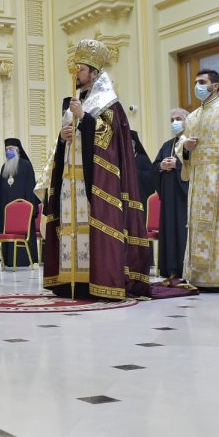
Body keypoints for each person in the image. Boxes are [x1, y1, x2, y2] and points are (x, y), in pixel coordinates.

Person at [44, 40, 152, 300]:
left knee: (91, 227)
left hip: (94, 181)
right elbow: (67, 140)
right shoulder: (74, 102)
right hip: (71, 178)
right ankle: (72, 279)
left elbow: (109, 140)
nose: (76, 74)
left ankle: (98, 279)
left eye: (80, 69)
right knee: (71, 227)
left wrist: (85, 119)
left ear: (94, 72)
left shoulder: (108, 103)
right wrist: (62, 136)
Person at [177, 70, 219, 289]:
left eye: (202, 82)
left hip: (217, 177)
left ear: (216, 86)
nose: (197, 86)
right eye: (195, 82)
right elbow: (180, 143)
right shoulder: (192, 117)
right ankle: (199, 277)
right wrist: (185, 148)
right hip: (198, 177)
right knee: (196, 227)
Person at [154, 109, 190, 286]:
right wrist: (161, 166)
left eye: (178, 119)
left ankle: (186, 269)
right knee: (170, 230)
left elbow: (197, 165)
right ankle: (171, 269)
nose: (174, 122)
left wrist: (178, 164)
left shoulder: (191, 143)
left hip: (184, 197)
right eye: (172, 120)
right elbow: (154, 167)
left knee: (183, 230)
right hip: (169, 197)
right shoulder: (167, 145)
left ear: (187, 121)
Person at [0, 137, 40, 268]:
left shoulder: (26, 165)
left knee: (24, 233)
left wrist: (30, 209)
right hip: (7, 209)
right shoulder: (4, 167)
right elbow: (2, 190)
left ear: (18, 150)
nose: (8, 152)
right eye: (7, 149)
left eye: (11, 149)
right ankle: (9, 260)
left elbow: (31, 187)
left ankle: (25, 260)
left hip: (24, 209)